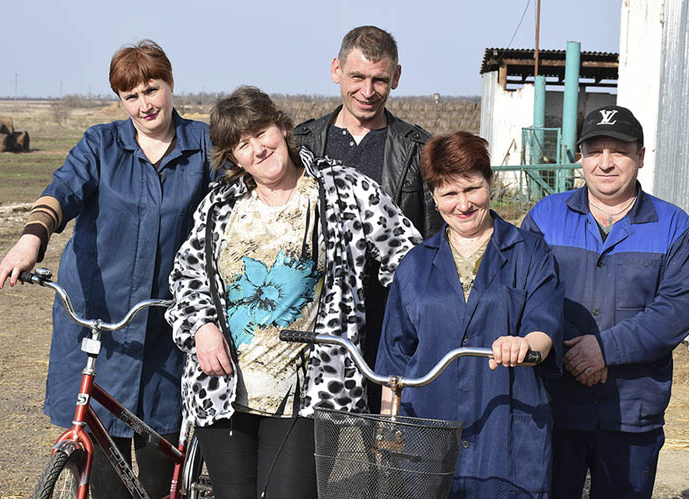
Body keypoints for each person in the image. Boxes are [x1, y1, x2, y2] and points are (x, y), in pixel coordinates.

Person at [164, 86, 421, 499]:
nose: (257, 150)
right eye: (241, 146)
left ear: (282, 127)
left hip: (309, 393)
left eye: (260, 133)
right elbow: (187, 276)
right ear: (233, 159)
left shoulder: (343, 190)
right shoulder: (220, 205)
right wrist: (202, 327)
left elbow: (409, 259)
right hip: (223, 391)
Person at [0, 40, 217, 498]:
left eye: (151, 90)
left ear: (171, 85)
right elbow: (62, 190)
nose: (144, 104)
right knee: (104, 473)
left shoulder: (204, 148)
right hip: (100, 322)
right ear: (119, 100)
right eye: (130, 96)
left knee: (160, 469)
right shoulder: (101, 144)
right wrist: (30, 239)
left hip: (166, 327)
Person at [376, 131, 563, 498]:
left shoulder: (530, 252)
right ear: (433, 198)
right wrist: (387, 430)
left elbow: (545, 325)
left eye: (471, 189)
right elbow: (393, 359)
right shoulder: (414, 265)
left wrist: (524, 344)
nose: (462, 204)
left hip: (506, 428)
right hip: (427, 430)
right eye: (449, 193)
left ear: (489, 183)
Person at [521, 105, 689, 498]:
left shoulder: (674, 226)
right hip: (554, 404)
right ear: (580, 156)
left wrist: (604, 350)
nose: (606, 163)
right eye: (595, 150)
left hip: (631, 411)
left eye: (620, 151)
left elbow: (676, 309)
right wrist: (576, 353)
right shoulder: (546, 216)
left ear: (641, 156)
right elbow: (526, 295)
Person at [293, 25, 442, 411]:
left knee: (386, 436)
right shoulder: (301, 145)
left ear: (396, 77)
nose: (368, 90)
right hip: (314, 323)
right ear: (336, 70)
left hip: (389, 318)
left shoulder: (419, 149)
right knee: (312, 446)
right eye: (357, 76)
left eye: (379, 79)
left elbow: (434, 237)